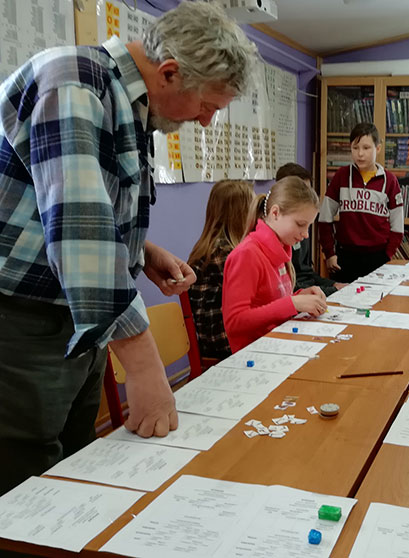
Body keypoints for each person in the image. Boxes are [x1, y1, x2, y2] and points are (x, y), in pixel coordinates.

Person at [0, 1, 258, 496]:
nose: (205, 122)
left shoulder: (130, 103)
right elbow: (78, 232)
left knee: (75, 469)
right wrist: (144, 367)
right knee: (26, 486)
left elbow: (78, 205)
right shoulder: (74, 82)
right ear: (169, 72)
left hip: (79, 322)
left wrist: (142, 250)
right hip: (22, 325)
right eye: (208, 105)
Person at [223, 177, 328, 352]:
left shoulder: (280, 247)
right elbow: (235, 321)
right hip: (253, 354)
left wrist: (301, 296)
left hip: (279, 343)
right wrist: (293, 304)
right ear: (275, 213)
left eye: (308, 226)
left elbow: (270, 302)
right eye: (301, 224)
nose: (306, 234)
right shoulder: (247, 254)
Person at [318, 122, 404, 283]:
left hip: (378, 257)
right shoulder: (341, 176)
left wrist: (387, 255)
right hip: (345, 257)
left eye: (366, 148)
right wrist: (329, 253)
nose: (360, 154)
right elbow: (324, 218)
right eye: (355, 148)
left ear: (378, 148)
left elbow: (398, 227)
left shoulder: (390, 181)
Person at [188, 180, 255, 361]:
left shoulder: (213, 246)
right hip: (221, 341)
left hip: (219, 337)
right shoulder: (223, 252)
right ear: (241, 214)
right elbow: (256, 295)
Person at [275, 163, 346, 296]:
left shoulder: (301, 228)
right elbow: (287, 287)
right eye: (302, 192)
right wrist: (331, 290)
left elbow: (306, 273)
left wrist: (333, 285)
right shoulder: (278, 234)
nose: (306, 234)